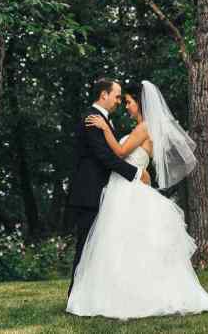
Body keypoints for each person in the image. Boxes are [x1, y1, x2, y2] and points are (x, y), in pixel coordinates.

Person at [66, 80, 208, 319]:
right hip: (119, 188)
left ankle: (130, 295)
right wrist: (136, 170)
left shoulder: (144, 128)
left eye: (129, 101)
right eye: (120, 99)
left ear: (140, 103)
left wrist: (106, 130)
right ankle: (111, 293)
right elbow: (117, 156)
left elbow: (120, 153)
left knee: (125, 244)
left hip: (126, 190)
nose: (124, 104)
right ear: (104, 95)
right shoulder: (134, 126)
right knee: (119, 245)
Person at [65, 78, 150, 297]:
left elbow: (115, 153)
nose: (119, 101)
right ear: (104, 95)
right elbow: (106, 157)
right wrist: (136, 173)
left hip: (105, 192)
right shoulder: (92, 120)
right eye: (117, 95)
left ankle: (94, 296)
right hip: (89, 193)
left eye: (124, 98)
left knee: (98, 246)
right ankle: (76, 297)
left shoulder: (105, 121)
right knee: (85, 247)